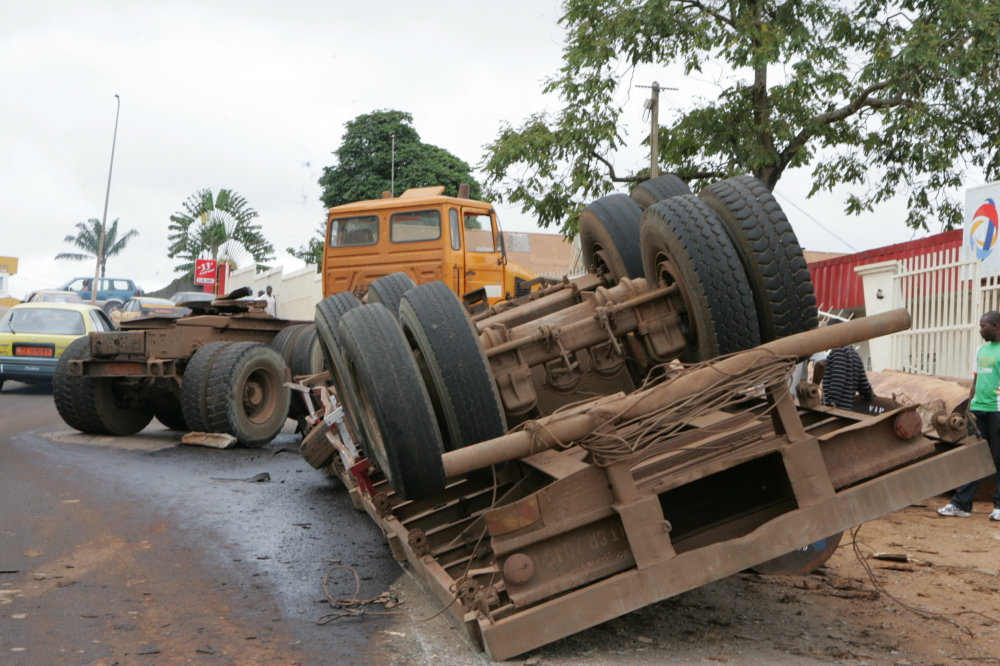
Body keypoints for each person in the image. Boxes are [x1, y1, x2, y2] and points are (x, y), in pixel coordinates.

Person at [938, 311, 1000, 521]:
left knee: (998, 459)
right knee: (974, 457)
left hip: (997, 411)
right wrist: (970, 406)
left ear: (996, 327)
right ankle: (961, 505)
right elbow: (975, 380)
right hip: (978, 410)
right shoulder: (981, 350)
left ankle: (999, 507)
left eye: (984, 326)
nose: (981, 330)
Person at [818, 320, 874, 410]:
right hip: (847, 411)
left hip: (833, 412)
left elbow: (838, 380)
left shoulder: (838, 351)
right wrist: (870, 396)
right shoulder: (855, 354)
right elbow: (864, 386)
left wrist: (830, 405)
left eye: (826, 333)